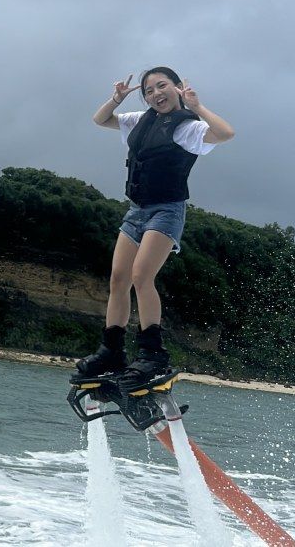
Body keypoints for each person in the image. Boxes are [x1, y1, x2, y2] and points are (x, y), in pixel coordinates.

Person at [75, 67, 235, 393]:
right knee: (118, 278)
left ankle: (153, 354)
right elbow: (101, 119)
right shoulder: (140, 120)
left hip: (167, 211)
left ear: (177, 87)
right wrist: (116, 98)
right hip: (136, 211)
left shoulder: (189, 127)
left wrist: (198, 105)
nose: (155, 94)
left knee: (141, 276)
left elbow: (226, 133)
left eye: (162, 86)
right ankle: (112, 353)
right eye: (148, 90)